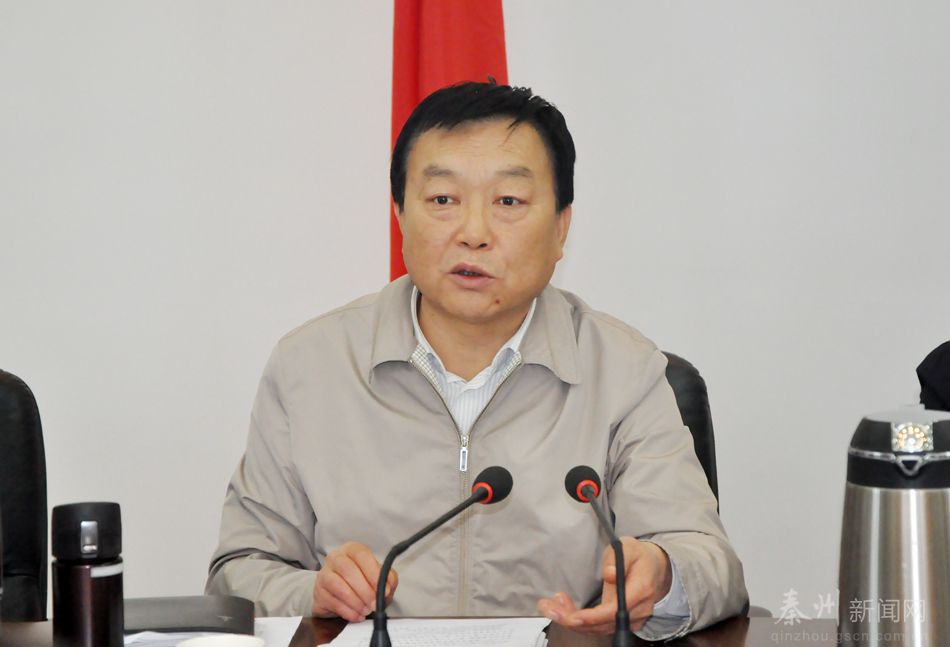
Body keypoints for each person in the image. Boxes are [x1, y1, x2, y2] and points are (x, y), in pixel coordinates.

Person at [206, 81, 748, 641]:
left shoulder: (623, 370)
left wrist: (662, 575)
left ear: (561, 227)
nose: (473, 233)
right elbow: (236, 574)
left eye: (508, 201)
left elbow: (713, 566)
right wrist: (313, 594)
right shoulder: (310, 367)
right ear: (400, 214)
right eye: (443, 200)